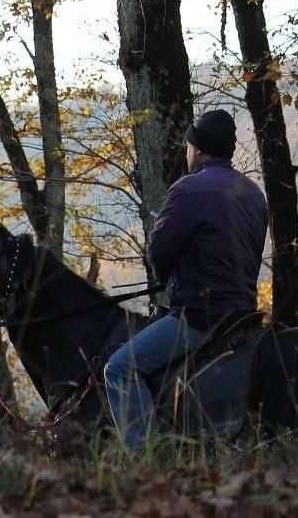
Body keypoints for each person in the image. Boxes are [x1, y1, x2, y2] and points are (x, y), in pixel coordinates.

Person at [103, 108, 269, 452]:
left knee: (119, 369)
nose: (187, 152)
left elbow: (159, 257)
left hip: (200, 318)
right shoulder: (253, 193)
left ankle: (148, 460)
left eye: (188, 146)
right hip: (243, 314)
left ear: (198, 149)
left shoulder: (188, 189)